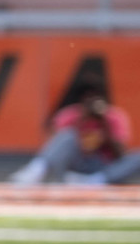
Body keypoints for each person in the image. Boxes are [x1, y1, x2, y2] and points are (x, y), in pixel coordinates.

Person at [9, 76, 140, 185]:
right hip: (76, 164)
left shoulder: (114, 116)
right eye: (88, 99)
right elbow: (55, 145)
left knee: (136, 157)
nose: (92, 103)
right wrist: (82, 120)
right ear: (82, 99)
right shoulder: (69, 115)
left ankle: (95, 181)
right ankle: (35, 172)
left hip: (103, 165)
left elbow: (120, 154)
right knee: (67, 135)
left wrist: (104, 124)